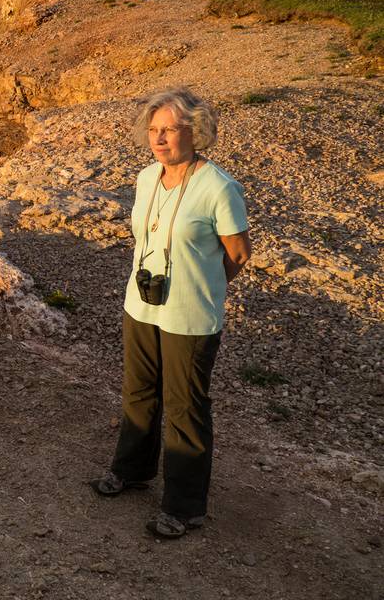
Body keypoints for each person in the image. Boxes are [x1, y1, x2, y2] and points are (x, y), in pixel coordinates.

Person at [90, 86, 251, 539]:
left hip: (189, 316)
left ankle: (184, 506)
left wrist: (202, 288)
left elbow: (237, 254)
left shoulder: (219, 187)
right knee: (139, 392)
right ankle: (132, 469)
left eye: (170, 130)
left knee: (185, 408)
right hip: (140, 305)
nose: (159, 139)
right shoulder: (146, 178)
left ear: (195, 132)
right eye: (154, 130)